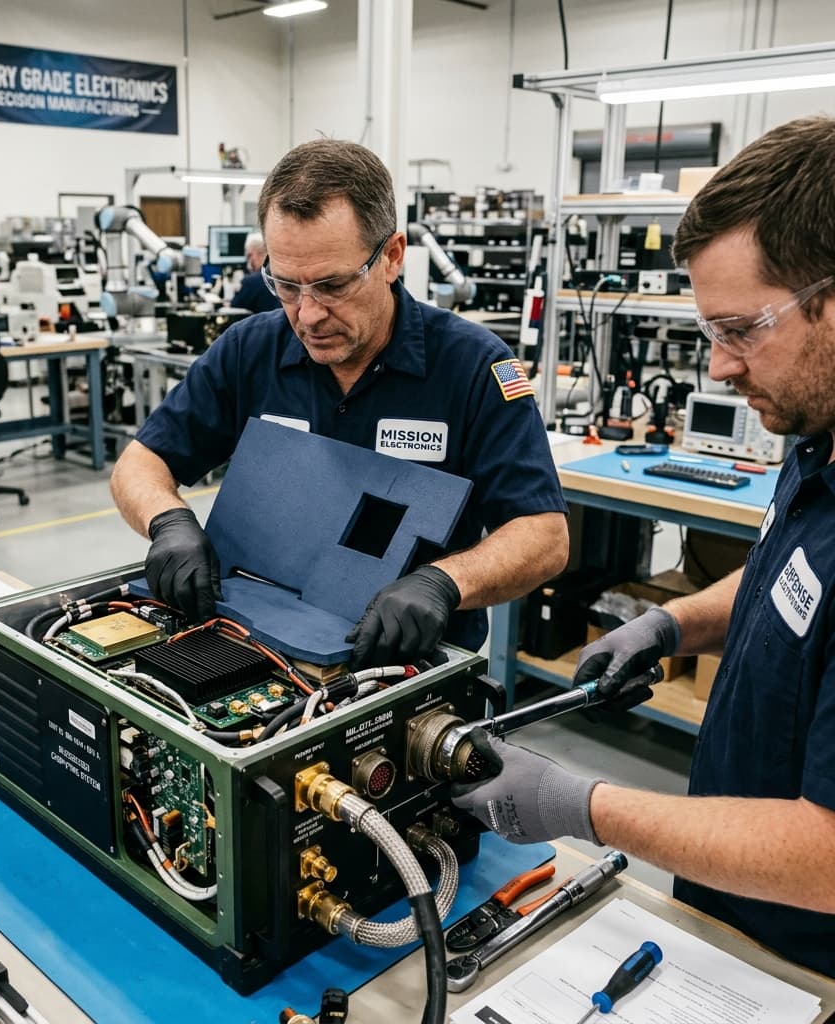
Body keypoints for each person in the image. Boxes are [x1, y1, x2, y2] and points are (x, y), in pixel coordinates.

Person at [452, 116, 835, 978]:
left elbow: (826, 855)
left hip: (807, 968)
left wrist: (584, 807)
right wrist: (671, 626)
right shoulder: (818, 436)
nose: (720, 369)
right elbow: (788, 581)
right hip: (731, 912)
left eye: (742, 329)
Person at [110, 138, 568, 668]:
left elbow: (544, 535)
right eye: (286, 285)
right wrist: (168, 521)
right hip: (251, 642)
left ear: (392, 256)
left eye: (332, 285)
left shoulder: (473, 368)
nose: (307, 315)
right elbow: (139, 463)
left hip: (403, 661)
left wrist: (445, 582)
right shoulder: (247, 350)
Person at [230, 232, 281, 313]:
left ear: (251, 255)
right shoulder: (281, 277)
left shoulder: (251, 281)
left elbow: (234, 306)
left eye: (248, 256)